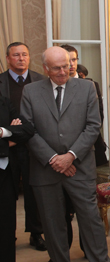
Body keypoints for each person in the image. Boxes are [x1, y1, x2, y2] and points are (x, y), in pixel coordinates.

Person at [20, 46, 110, 262]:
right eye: (57, 68)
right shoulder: (31, 91)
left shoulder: (86, 88)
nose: (63, 71)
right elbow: (27, 129)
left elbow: (92, 126)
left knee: (90, 219)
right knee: (52, 224)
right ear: (45, 68)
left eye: (67, 66)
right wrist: (53, 159)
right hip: (45, 170)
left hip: (79, 167)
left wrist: (70, 156)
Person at [0, 42, 47, 251]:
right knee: (7, 193)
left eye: (24, 55)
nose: (21, 58)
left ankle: (36, 233)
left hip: (33, 144)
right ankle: (8, 235)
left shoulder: (41, 80)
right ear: (8, 58)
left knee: (32, 191)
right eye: (16, 55)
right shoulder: (0, 81)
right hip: (7, 147)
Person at [0, 97, 34, 262]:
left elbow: (27, 129)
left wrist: (2, 132)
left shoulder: (4, 101)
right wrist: (8, 142)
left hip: (6, 175)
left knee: (6, 231)